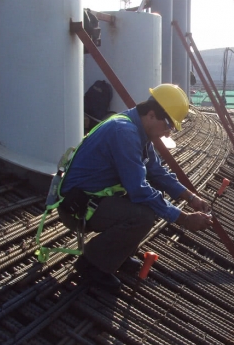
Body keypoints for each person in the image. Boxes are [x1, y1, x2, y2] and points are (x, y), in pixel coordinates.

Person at [56, 83, 213, 291]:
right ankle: (92, 264)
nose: (167, 133)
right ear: (150, 114)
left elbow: (156, 172)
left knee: (154, 201)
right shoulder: (125, 133)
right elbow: (138, 190)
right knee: (143, 215)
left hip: (93, 198)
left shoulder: (137, 129)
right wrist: (184, 219)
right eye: (167, 124)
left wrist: (190, 197)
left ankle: (116, 253)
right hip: (78, 207)